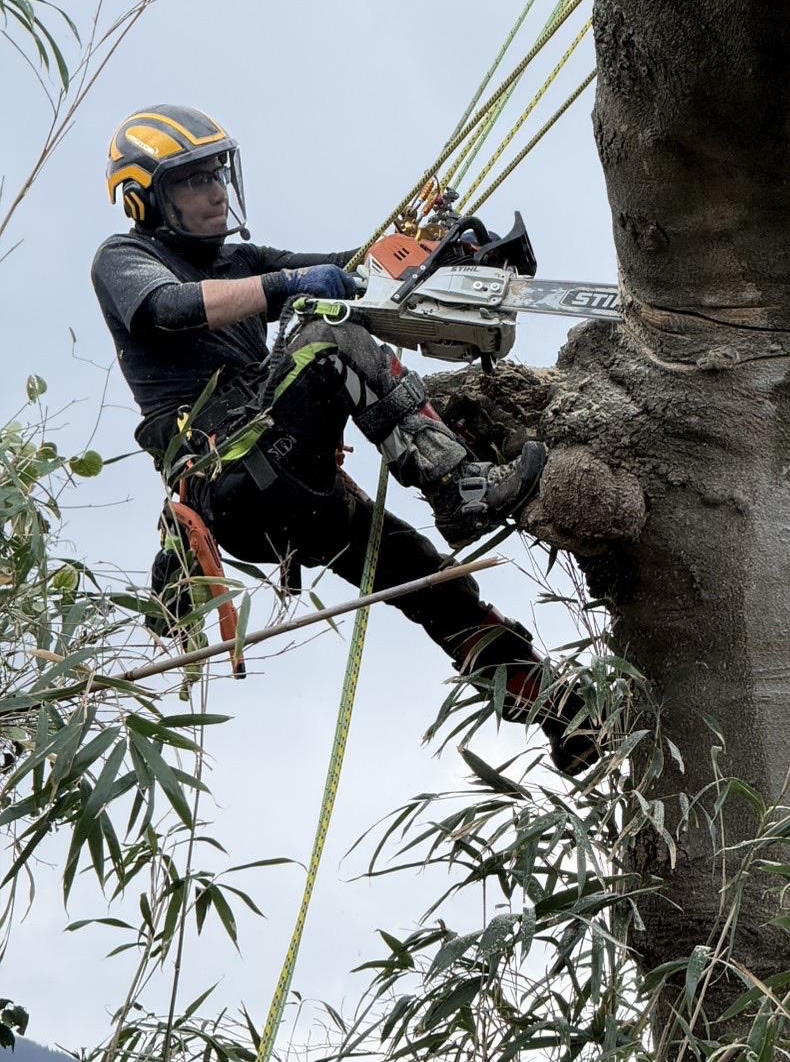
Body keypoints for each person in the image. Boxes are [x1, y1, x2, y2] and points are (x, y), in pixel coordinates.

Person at [92, 104, 598, 773]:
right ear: (146, 198)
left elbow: (353, 272)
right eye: (193, 181)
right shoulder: (126, 258)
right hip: (234, 478)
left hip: (290, 484)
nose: (215, 191)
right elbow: (169, 307)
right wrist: (287, 288)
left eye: (217, 174)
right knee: (330, 338)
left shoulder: (240, 259)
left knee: (423, 574)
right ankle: (461, 491)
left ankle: (553, 708)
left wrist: (443, 258)